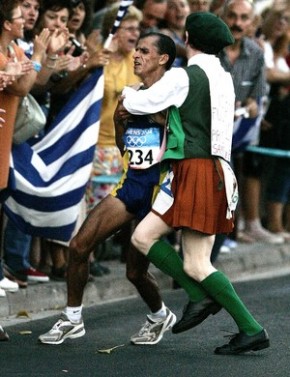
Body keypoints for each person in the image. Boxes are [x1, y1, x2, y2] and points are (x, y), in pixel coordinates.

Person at [121, 11, 270, 355]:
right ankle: (211, 304)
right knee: (148, 239)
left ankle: (244, 324)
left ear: (186, 38)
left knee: (194, 262)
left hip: (197, 170)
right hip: (212, 169)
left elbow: (142, 101)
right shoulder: (222, 75)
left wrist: (129, 93)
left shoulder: (185, 76)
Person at [38, 31, 177, 346]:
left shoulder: (175, 96)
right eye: (136, 50)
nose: (136, 56)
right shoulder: (131, 93)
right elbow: (124, 148)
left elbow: (184, 142)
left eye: (144, 51)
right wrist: (118, 122)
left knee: (135, 273)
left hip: (158, 194)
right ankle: (72, 318)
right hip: (132, 187)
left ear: (163, 58)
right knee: (78, 246)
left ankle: (159, 315)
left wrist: (160, 121)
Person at [217, 0, 284, 246]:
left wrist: (253, 105)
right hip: (203, 131)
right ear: (223, 18)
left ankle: (224, 235)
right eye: (232, 17)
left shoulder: (255, 53)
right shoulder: (210, 50)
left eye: (244, 18)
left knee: (230, 180)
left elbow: (258, 95)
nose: (237, 23)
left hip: (234, 134)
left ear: (251, 22)